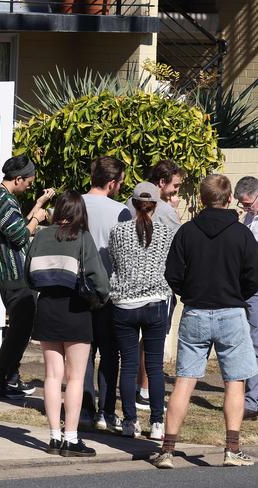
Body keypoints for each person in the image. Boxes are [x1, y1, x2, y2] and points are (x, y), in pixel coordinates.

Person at [154, 174, 258, 469]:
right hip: (231, 312)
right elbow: (254, 275)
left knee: (185, 381)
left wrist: (189, 293)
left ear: (201, 199)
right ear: (228, 199)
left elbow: (172, 272)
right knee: (234, 382)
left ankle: (167, 450)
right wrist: (238, 293)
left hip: (196, 312)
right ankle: (232, 448)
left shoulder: (187, 232)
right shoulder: (242, 234)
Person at [25, 190, 109, 457]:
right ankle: (71, 438)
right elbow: (99, 279)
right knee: (75, 377)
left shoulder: (41, 235)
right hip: (76, 310)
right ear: (79, 212)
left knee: (51, 376)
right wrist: (101, 299)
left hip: (47, 306)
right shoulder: (82, 237)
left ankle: (52, 437)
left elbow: (28, 273)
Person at [0, 155, 54, 399]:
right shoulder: (5, 201)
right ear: (18, 178)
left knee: (19, 328)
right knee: (20, 331)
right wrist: (38, 218)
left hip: (7, 274)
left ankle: (10, 378)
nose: (29, 186)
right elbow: (21, 236)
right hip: (14, 275)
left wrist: (37, 205)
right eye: (28, 182)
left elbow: (14, 228)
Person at [109, 182, 173, 441]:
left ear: (132, 203)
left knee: (128, 365)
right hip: (156, 302)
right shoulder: (165, 233)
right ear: (155, 205)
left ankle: (129, 421)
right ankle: (157, 422)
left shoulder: (118, 231)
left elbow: (113, 262)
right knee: (155, 367)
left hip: (124, 304)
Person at [126, 160, 183, 410]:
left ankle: (137, 390)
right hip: (158, 286)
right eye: (175, 186)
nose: (176, 191)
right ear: (161, 183)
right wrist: (174, 212)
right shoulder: (166, 212)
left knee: (131, 346)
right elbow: (177, 247)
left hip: (128, 285)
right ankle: (146, 391)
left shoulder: (127, 204)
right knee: (153, 341)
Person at [81, 156, 131, 431]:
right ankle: (107, 412)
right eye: (120, 182)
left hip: (79, 289)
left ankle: (85, 409)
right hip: (110, 290)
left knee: (83, 353)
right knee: (110, 355)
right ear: (112, 183)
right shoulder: (121, 211)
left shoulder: (74, 203)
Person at [233, 176, 258, 420]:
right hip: (249, 286)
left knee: (255, 342)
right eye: (242, 205)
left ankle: (253, 400)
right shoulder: (249, 217)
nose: (245, 209)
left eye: (248, 204)